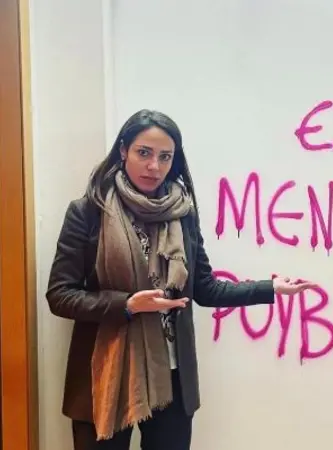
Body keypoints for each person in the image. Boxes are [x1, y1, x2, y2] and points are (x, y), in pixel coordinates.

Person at [46, 109, 315, 450]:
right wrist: (126, 305)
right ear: (123, 150)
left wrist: (270, 288)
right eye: (144, 152)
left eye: (165, 157)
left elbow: (205, 288)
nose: (154, 166)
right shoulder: (88, 212)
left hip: (171, 376)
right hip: (107, 373)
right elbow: (60, 295)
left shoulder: (182, 214)